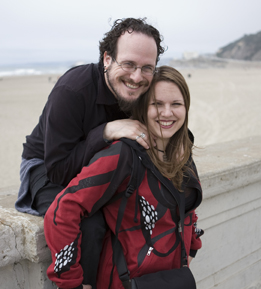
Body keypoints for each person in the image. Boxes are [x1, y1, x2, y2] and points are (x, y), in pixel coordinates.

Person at [15, 17, 165, 288]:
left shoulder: (142, 89)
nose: (136, 77)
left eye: (147, 68)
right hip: (46, 165)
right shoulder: (73, 90)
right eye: (128, 64)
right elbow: (58, 169)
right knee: (90, 225)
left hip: (106, 164)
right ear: (107, 58)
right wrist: (107, 130)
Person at [44, 66, 204, 289]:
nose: (167, 113)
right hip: (124, 282)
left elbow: (187, 206)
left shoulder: (182, 152)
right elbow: (63, 210)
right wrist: (71, 282)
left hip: (173, 280)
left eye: (176, 104)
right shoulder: (123, 155)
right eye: (157, 104)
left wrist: (192, 246)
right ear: (142, 108)